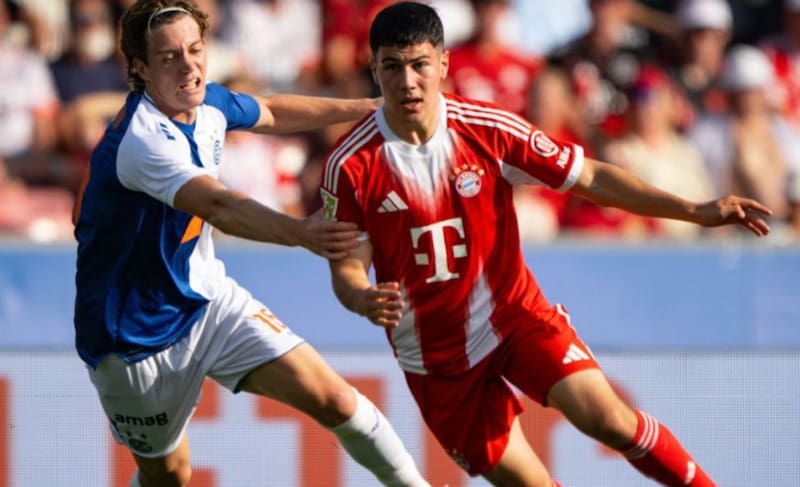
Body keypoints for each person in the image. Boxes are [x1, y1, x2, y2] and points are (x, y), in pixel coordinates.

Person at [321, 3, 772, 486]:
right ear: (374, 69)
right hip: (435, 361)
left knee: (609, 418)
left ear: (444, 64)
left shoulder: (489, 129)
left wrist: (691, 209)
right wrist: (361, 297)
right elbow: (347, 268)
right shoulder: (350, 165)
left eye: (419, 65)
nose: (407, 82)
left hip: (515, 318)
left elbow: (592, 177)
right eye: (392, 66)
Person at [72, 2, 430, 487]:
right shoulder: (141, 141)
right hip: (133, 339)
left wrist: (368, 110)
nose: (189, 66)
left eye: (195, 50)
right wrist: (300, 232)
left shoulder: (208, 103)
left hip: (207, 301)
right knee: (171, 476)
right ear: (139, 68)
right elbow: (220, 207)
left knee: (336, 399)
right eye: (169, 57)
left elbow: (274, 110)